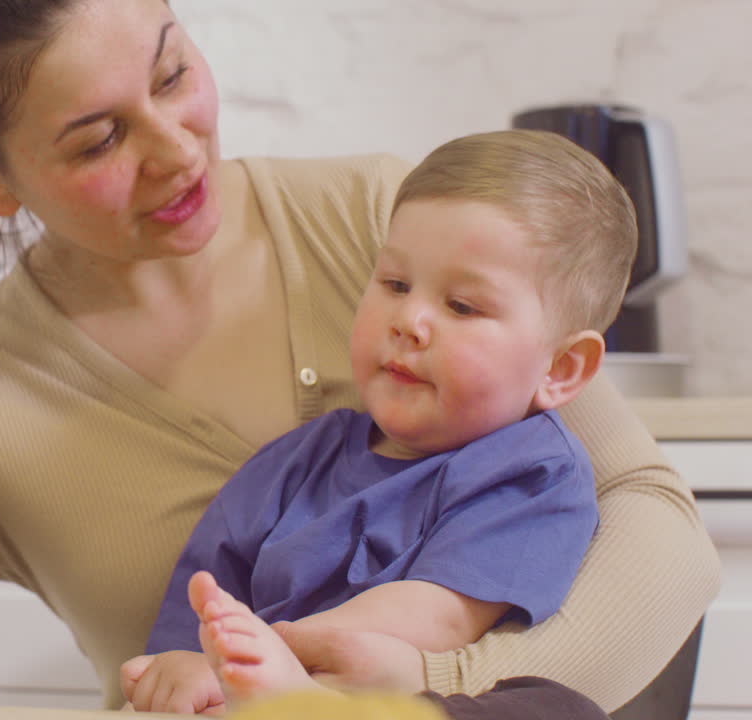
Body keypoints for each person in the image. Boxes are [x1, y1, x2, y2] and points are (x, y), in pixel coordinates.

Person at [0, 0, 717, 716]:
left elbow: (656, 528)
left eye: (169, 72)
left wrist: (408, 699)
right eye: (98, 137)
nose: (177, 150)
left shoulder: (388, 224)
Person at [120, 129, 629, 715]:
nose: (409, 320)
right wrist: (185, 665)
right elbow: (204, 595)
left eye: (462, 306)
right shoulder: (295, 460)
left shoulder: (533, 472)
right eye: (394, 284)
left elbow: (440, 614)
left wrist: (272, 653)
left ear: (562, 368)